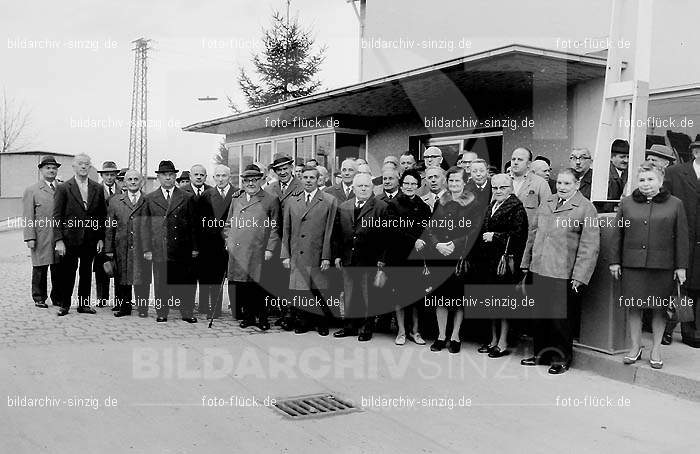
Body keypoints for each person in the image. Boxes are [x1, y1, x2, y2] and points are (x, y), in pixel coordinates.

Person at [520, 168, 600, 374]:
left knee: (560, 320)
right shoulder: (547, 202)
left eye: (567, 184)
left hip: (563, 272)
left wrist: (579, 277)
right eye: (560, 183)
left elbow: (589, 246)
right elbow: (534, 233)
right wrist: (526, 262)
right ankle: (541, 354)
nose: (562, 187)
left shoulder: (585, 208)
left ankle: (561, 358)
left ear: (577, 185)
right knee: (540, 316)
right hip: (540, 267)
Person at [610, 163, 688, 369]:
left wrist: (681, 267)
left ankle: (655, 348)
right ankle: (635, 347)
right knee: (634, 307)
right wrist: (615, 261)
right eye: (642, 180)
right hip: (632, 265)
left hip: (662, 266)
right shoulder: (627, 203)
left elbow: (682, 237)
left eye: (650, 179)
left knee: (659, 308)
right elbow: (618, 234)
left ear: (661, 181)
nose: (646, 184)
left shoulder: (675, 204)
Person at [469, 174, 528, 357]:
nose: (498, 191)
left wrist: (495, 236)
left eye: (503, 187)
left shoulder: (517, 208)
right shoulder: (491, 206)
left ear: (510, 188)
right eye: (495, 188)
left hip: (505, 263)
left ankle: (502, 342)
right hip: (489, 262)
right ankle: (493, 339)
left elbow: (519, 235)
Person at [426, 166, 480, 353]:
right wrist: (438, 245)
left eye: (458, 180)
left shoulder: (474, 203)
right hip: (440, 255)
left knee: (457, 300)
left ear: (464, 183)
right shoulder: (440, 202)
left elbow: (474, 231)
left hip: (459, 256)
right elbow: (431, 228)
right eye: (451, 181)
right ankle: (441, 336)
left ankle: (455, 336)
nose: (454, 184)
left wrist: (453, 244)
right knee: (440, 299)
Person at [281, 166, 338, 335]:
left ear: (318, 180)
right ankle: (302, 321)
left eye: (312, 177)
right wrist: (285, 255)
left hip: (317, 253)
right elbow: (286, 229)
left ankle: (321, 323)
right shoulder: (292, 200)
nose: (308, 180)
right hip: (298, 253)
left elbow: (330, 231)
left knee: (319, 290)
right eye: (305, 177)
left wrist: (326, 256)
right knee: (301, 291)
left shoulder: (328, 200)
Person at [142, 160, 199, 323]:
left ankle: (187, 311)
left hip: (182, 247)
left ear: (175, 176)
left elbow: (193, 225)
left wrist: (195, 247)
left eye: (171, 175)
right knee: (161, 282)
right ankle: (162, 312)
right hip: (160, 247)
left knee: (185, 281)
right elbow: (145, 226)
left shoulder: (187, 197)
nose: (168, 178)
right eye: (164, 175)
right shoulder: (150, 198)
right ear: (158, 177)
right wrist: (147, 249)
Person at [333, 173, 388, 341]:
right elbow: (337, 234)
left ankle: (366, 327)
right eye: (360, 186)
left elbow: (387, 236)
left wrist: (382, 259)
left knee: (367, 295)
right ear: (354, 188)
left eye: (367, 186)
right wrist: (336, 256)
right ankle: (349, 326)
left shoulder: (381, 207)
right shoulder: (344, 206)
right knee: (349, 294)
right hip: (349, 258)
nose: (363, 189)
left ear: (372, 188)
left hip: (369, 259)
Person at [225, 164, 281, 330]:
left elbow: (275, 227)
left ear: (260, 180)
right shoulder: (236, 199)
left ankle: (262, 318)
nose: (251, 183)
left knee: (258, 285)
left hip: (258, 249)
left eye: (254, 180)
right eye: (247, 181)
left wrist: (270, 248)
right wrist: (228, 240)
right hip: (238, 249)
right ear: (243, 182)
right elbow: (228, 223)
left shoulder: (270, 200)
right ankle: (249, 317)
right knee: (243, 285)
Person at [53, 153, 107, 316]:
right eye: (80, 164)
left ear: (90, 167)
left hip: (90, 239)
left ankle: (83, 304)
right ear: (74, 167)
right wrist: (59, 240)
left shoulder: (97, 188)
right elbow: (57, 216)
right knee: (68, 273)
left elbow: (101, 215)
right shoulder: (64, 188)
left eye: (86, 164)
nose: (83, 167)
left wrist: (100, 238)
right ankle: (65, 304)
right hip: (70, 239)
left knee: (86, 272)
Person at [660, 140, 700, 348]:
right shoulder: (675, 173)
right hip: (682, 238)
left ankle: (695, 334)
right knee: (680, 287)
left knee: (698, 287)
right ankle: (670, 329)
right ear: (694, 151)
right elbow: (664, 202)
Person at [385, 169, 431, 345]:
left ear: (418, 186)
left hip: (417, 258)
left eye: (413, 184)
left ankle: (415, 331)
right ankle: (401, 332)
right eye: (406, 183)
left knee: (417, 297)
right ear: (401, 185)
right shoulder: (393, 205)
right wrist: (414, 241)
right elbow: (392, 230)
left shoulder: (424, 207)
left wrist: (422, 241)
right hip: (398, 256)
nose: (410, 186)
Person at [104, 170, 151, 318]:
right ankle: (124, 307)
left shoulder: (148, 200)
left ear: (141, 181)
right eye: (129, 179)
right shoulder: (115, 201)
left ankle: (142, 308)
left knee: (142, 277)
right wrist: (109, 249)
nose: (132, 182)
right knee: (122, 276)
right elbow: (109, 226)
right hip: (121, 245)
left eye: (136, 179)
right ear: (124, 182)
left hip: (142, 246)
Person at [265, 153, 303, 328]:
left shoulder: (301, 186)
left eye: (285, 168)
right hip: (275, 239)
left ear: (291, 168)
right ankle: (284, 312)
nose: (282, 172)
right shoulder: (270, 189)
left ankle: (294, 315)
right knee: (278, 278)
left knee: (294, 278)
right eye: (279, 170)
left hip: (295, 239)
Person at [23, 156, 61, 308]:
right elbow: (28, 215)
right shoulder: (32, 190)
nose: (51, 170)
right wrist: (30, 237)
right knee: (40, 267)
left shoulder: (63, 188)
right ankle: (39, 297)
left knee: (58, 268)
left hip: (59, 236)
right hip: (41, 235)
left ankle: (57, 297)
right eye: (48, 168)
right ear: (41, 170)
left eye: (54, 168)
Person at [198, 165, 235, 319]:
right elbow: (201, 221)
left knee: (232, 276)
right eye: (218, 176)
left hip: (231, 241)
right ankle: (214, 308)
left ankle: (237, 308)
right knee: (212, 276)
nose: (220, 179)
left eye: (224, 176)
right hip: (211, 243)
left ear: (229, 177)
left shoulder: (237, 194)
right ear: (213, 178)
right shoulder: (207, 195)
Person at [95, 161, 122, 308]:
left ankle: (119, 299)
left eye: (112, 175)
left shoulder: (122, 190)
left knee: (117, 266)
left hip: (117, 234)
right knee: (101, 267)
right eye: (107, 175)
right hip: (101, 234)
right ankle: (101, 297)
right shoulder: (96, 190)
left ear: (116, 175)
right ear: (102, 175)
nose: (110, 178)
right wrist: (98, 237)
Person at [509, 147, 551, 228]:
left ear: (528, 164)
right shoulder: (503, 182)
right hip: (504, 237)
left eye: (520, 160)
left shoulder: (540, 184)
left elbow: (547, 214)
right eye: (513, 159)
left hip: (530, 236)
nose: (515, 162)